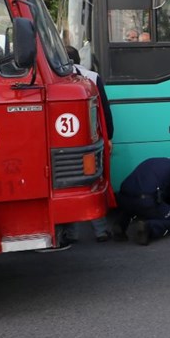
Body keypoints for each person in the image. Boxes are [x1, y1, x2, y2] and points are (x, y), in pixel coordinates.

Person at [61, 45, 116, 244]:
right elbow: (105, 110)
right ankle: (101, 231)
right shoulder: (92, 76)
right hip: (93, 139)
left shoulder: (57, 76)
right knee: (94, 182)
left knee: (71, 185)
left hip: (65, 141)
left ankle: (72, 233)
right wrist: (109, 137)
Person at [116, 156, 170, 245]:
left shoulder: (152, 161)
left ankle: (120, 226)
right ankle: (148, 228)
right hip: (145, 200)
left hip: (123, 197)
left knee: (133, 207)